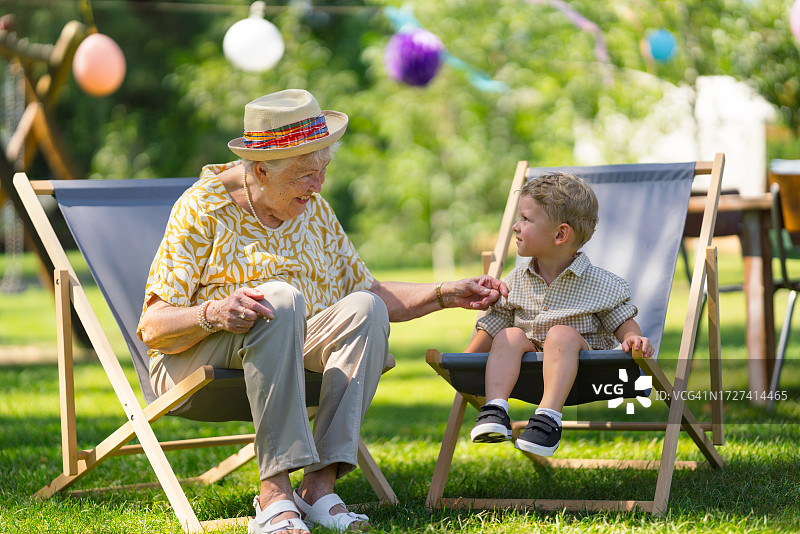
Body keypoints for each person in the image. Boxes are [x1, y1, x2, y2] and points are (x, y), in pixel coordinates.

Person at [136, 89, 507, 534]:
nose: (318, 186)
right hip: (195, 360)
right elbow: (153, 326)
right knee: (281, 299)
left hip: (287, 348)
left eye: (323, 171)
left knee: (365, 309)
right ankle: (273, 495)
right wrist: (213, 312)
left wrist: (445, 293)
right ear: (259, 170)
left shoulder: (313, 211)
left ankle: (317, 487)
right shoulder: (202, 208)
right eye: (305, 175)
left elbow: (371, 293)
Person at [466, 171, 654, 457]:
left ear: (560, 234)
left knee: (561, 334)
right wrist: (461, 364)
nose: (516, 226)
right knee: (509, 334)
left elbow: (622, 321)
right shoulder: (515, 280)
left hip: (585, 375)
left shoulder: (601, 284)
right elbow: (493, 325)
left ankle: (548, 418)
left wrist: (633, 339)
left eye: (526, 219)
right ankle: (495, 409)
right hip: (526, 373)